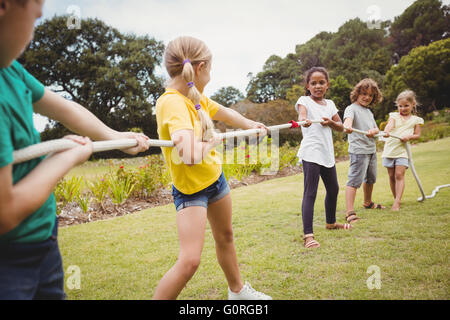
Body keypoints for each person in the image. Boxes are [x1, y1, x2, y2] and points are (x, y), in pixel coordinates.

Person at [0, 0, 149, 300]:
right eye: (35, 17)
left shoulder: (11, 71)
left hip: (44, 241)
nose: (32, 33)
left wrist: (116, 138)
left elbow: (67, 110)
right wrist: (67, 157)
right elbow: (5, 212)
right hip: (9, 263)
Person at [154, 36, 272, 300]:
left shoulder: (194, 97)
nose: (211, 74)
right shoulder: (172, 102)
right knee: (189, 261)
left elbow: (226, 113)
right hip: (191, 191)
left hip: (215, 181)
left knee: (226, 236)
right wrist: (212, 141)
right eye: (211, 68)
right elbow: (190, 155)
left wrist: (251, 124)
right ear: (201, 67)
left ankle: (238, 291)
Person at [295, 66, 351, 250]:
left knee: (333, 189)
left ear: (327, 85)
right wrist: (305, 119)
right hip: (311, 152)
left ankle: (331, 223)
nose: (317, 86)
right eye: (313, 83)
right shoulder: (304, 101)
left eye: (321, 82)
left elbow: (341, 126)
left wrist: (332, 123)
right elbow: (302, 114)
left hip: (327, 153)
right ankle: (308, 236)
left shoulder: (331, 104)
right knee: (310, 192)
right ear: (308, 86)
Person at [343, 78, 384, 224]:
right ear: (357, 93)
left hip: (371, 149)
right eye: (364, 93)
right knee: (354, 180)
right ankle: (349, 212)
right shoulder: (351, 108)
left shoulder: (368, 111)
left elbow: (375, 128)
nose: (367, 97)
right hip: (359, 151)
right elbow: (347, 122)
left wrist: (374, 130)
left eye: (370, 95)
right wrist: (347, 125)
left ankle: (368, 202)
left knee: (371, 178)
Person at [382, 90, 424, 211]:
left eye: (406, 105)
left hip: (402, 151)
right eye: (400, 106)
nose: (403, 108)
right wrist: (387, 131)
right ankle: (396, 198)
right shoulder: (394, 116)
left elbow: (417, 135)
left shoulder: (416, 120)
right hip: (389, 150)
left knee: (399, 175)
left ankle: (397, 202)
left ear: (413, 104)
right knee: (391, 176)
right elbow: (389, 125)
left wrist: (409, 137)